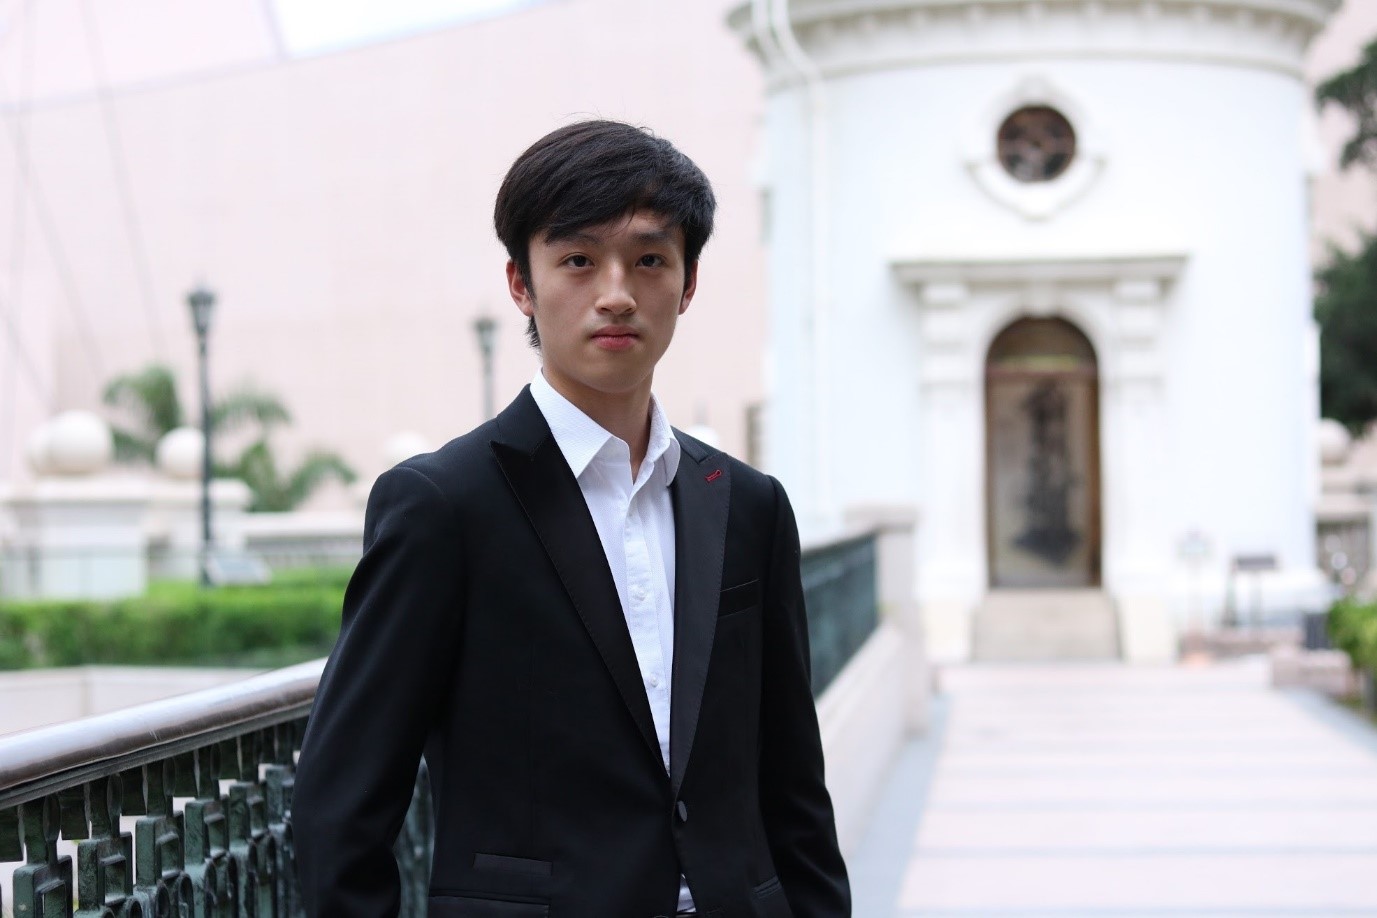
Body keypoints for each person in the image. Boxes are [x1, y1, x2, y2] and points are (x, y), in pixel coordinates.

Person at [292, 120, 850, 918]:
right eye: (579, 260)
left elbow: (793, 786)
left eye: (649, 260)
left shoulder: (747, 504)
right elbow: (340, 805)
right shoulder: (445, 505)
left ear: (688, 284)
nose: (616, 293)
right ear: (521, 283)